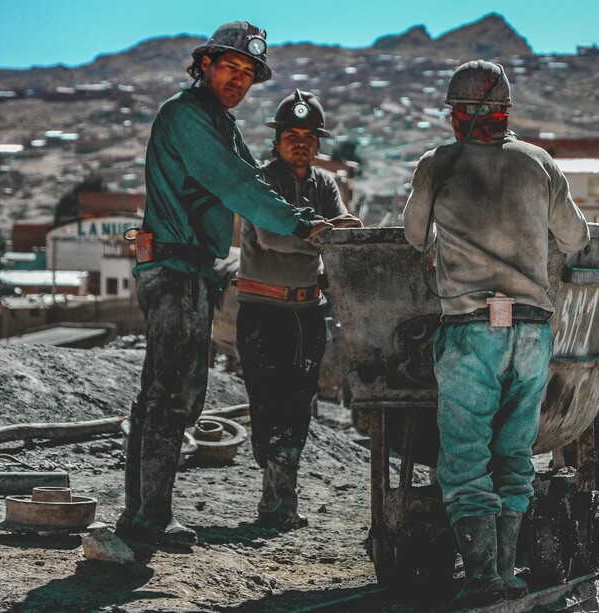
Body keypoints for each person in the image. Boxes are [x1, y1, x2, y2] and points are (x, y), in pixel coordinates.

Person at [116, 21, 352, 547]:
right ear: (205, 65)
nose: (239, 80)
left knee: (169, 390)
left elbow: (245, 174)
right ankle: (149, 517)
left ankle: (140, 513)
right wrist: (302, 223)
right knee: (172, 392)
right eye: (231, 67)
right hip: (174, 268)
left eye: (248, 73)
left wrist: (301, 218)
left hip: (191, 268)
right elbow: (240, 184)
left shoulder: (219, 123)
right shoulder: (187, 116)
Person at [403, 60, 589, 606]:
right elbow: (575, 237)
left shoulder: (438, 163)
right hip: (531, 333)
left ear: (457, 114)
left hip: (469, 332)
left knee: (465, 456)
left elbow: (414, 236)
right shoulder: (540, 163)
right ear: (506, 110)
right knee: (514, 453)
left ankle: (481, 573)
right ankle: (507, 570)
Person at [236, 89, 361, 531]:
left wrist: (333, 231)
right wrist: (317, 234)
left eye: (309, 136)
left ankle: (278, 505)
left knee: (298, 405)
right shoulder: (260, 181)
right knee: (268, 405)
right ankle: (276, 500)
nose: (301, 143)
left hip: (307, 313)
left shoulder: (324, 184)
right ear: (278, 140)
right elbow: (272, 236)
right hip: (263, 312)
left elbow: (342, 232)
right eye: (292, 135)